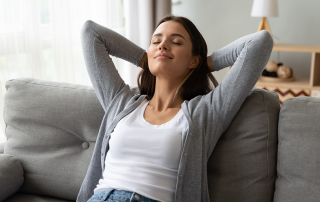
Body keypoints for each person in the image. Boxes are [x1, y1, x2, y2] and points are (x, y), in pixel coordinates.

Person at [77, 14, 273, 202]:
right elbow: (90, 33)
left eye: (176, 42)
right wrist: (146, 58)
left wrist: (205, 63)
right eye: (156, 41)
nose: (163, 45)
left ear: (193, 60)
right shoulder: (120, 102)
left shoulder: (207, 111)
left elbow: (260, 42)